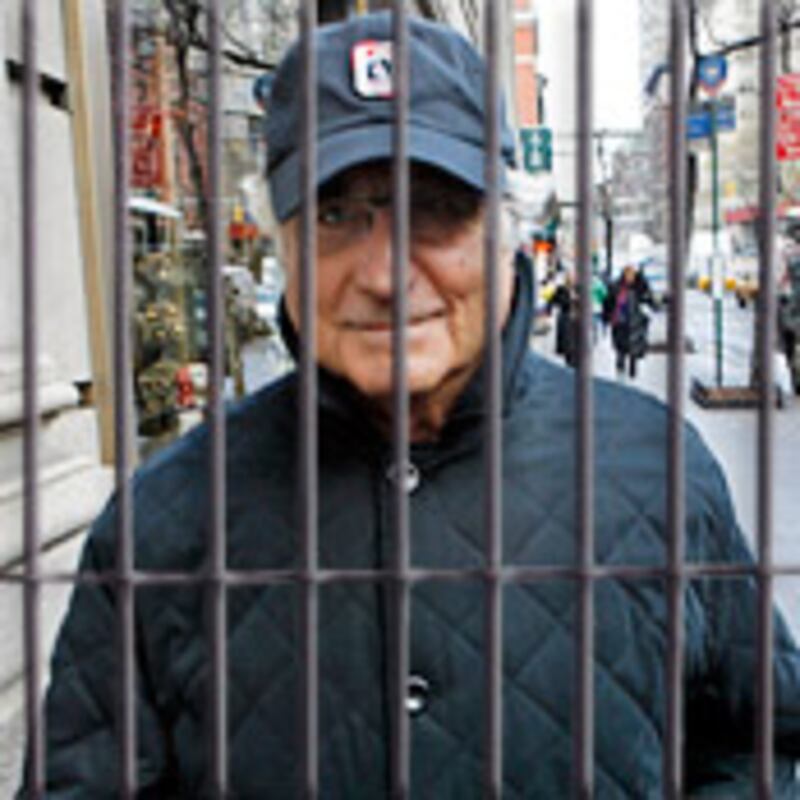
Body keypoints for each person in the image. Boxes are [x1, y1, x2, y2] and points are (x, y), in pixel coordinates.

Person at [22, 12, 800, 798]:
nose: (386, 275)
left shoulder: (654, 469)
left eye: (434, 208)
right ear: (281, 244)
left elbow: (758, 743)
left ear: (509, 233)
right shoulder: (164, 522)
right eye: (334, 214)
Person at [603, 263, 655, 378]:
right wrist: (607, 316)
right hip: (620, 323)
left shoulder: (639, 287)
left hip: (635, 324)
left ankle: (632, 375)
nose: (629, 277)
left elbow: (649, 300)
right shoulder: (616, 287)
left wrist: (642, 281)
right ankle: (620, 373)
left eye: (632, 274)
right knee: (620, 349)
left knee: (633, 352)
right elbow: (608, 302)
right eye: (628, 274)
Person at [546, 270, 579, 367]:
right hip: (566, 318)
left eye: (573, 277)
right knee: (567, 344)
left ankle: (573, 361)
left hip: (577, 320)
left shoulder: (580, 289)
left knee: (576, 344)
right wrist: (569, 299)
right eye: (570, 277)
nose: (571, 279)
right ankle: (569, 361)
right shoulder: (561, 289)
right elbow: (553, 300)